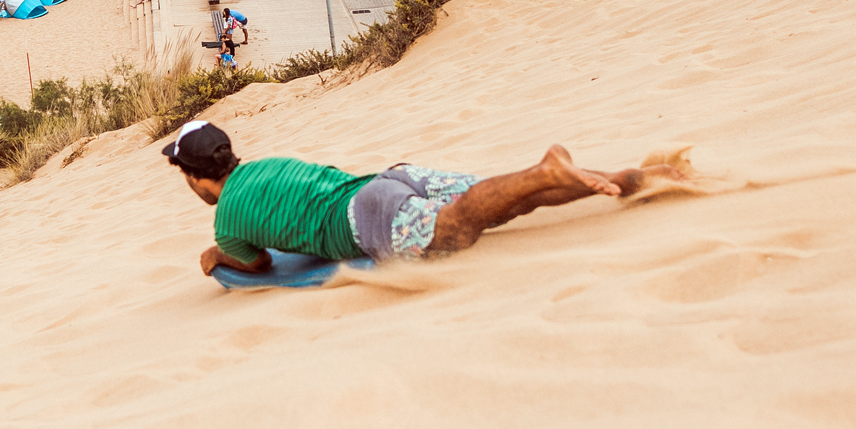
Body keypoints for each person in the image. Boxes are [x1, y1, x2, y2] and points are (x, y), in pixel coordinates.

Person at [162, 121, 685, 276]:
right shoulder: (265, 165)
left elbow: (254, 264)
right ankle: (631, 177)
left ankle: (545, 169)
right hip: (390, 180)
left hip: (366, 217)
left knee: (458, 229)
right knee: (502, 203)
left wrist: (216, 256)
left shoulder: (226, 219)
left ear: (193, 178)